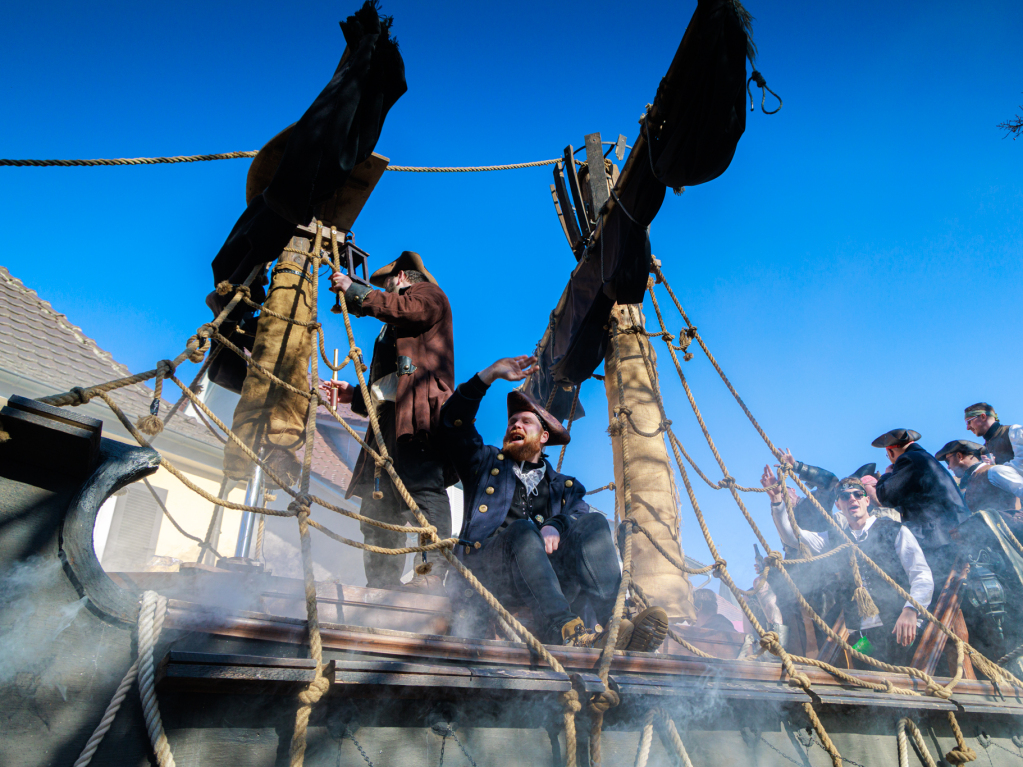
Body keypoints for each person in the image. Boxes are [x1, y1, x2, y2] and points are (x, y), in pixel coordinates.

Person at [437, 354, 668, 650]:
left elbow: (578, 517)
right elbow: (453, 424)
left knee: (594, 522)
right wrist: (489, 375)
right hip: (490, 574)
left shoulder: (567, 488)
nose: (514, 425)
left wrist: (556, 525)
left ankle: (617, 625)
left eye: (525, 422)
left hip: (549, 583)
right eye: (512, 422)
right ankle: (568, 629)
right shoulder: (484, 463)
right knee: (522, 529)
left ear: (544, 436)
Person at [323, 252, 454, 594]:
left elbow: (406, 308)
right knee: (378, 503)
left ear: (399, 279)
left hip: (418, 418)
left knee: (424, 491)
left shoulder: (429, 295)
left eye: (386, 289)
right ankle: (382, 585)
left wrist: (356, 292)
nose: (387, 297)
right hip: (392, 420)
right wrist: (356, 395)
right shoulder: (396, 327)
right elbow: (391, 384)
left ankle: (431, 576)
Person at [770, 476, 933, 666]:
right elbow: (792, 537)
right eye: (845, 497)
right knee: (867, 687)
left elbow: (921, 575)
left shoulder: (895, 531)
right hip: (862, 637)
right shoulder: (836, 539)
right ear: (839, 505)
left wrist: (911, 610)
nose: (852, 499)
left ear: (867, 500)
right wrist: (776, 501)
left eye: (857, 494)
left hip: (901, 629)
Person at [873, 429, 966, 592]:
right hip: (950, 534)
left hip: (937, 540)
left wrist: (887, 475)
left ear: (890, 451)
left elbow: (885, 496)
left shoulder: (908, 459)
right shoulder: (922, 457)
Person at [935, 439, 1020, 514]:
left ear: (959, 456)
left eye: (947, 461)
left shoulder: (994, 471)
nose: (948, 467)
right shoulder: (969, 486)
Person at [965, 403, 1023, 500]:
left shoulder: (1015, 431)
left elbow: (1021, 464)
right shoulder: (983, 449)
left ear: (983, 417)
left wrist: (993, 469)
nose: (967, 427)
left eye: (969, 422)